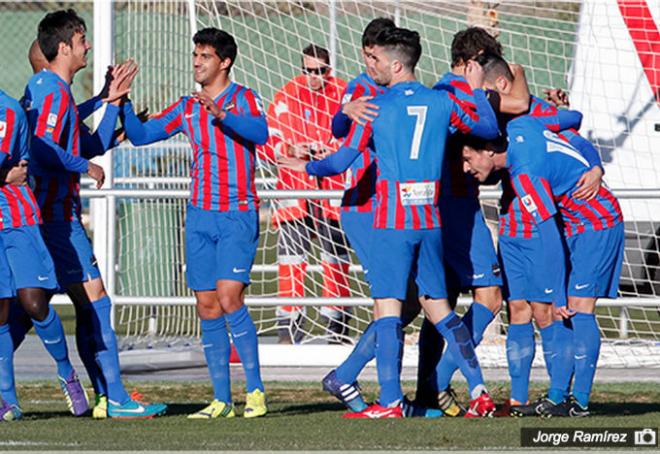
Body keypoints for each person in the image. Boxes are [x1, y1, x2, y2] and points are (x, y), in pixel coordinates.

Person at [287, 26, 500, 418]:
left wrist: (306, 165)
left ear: (396, 63)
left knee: (388, 310)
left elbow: (339, 162)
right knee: (441, 311)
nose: (372, 68)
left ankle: (389, 401)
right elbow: (487, 128)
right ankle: (480, 389)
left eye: (377, 61)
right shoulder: (442, 102)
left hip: (390, 223)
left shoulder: (375, 105)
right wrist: (473, 91)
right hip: (430, 223)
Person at [24, 9, 166, 419]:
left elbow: (91, 144)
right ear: (64, 47)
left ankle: (105, 395)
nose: (88, 46)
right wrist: (84, 166)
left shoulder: (52, 93)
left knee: (35, 309)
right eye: (82, 39)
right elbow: (44, 150)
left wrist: (112, 102)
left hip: (49, 216)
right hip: (56, 218)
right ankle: (116, 397)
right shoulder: (51, 91)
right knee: (95, 301)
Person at [121, 27, 269, 419]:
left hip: (237, 212)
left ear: (225, 62)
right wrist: (122, 101)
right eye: (195, 56)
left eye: (204, 56)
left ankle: (255, 392)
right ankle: (221, 399)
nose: (197, 63)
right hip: (199, 215)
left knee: (229, 298)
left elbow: (261, 132)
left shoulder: (244, 99)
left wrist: (224, 115)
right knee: (206, 306)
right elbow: (140, 136)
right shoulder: (188, 106)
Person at [462, 98, 624, 418]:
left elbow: (548, 232)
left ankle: (578, 402)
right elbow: (572, 120)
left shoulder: (525, 176)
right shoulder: (524, 125)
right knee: (567, 311)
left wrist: (557, 292)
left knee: (577, 309)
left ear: (490, 151)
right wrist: (593, 164)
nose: (466, 167)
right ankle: (558, 397)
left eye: (468, 158)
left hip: (596, 224)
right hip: (578, 226)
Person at [259, 44, 351, 343]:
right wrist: (291, 149)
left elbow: (357, 137)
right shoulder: (287, 93)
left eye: (320, 71)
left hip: (333, 191)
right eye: (308, 71)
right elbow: (269, 139)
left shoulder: (343, 93)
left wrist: (332, 151)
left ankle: (335, 326)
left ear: (329, 69)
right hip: (295, 188)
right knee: (290, 258)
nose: (314, 77)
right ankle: (289, 326)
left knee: (334, 258)